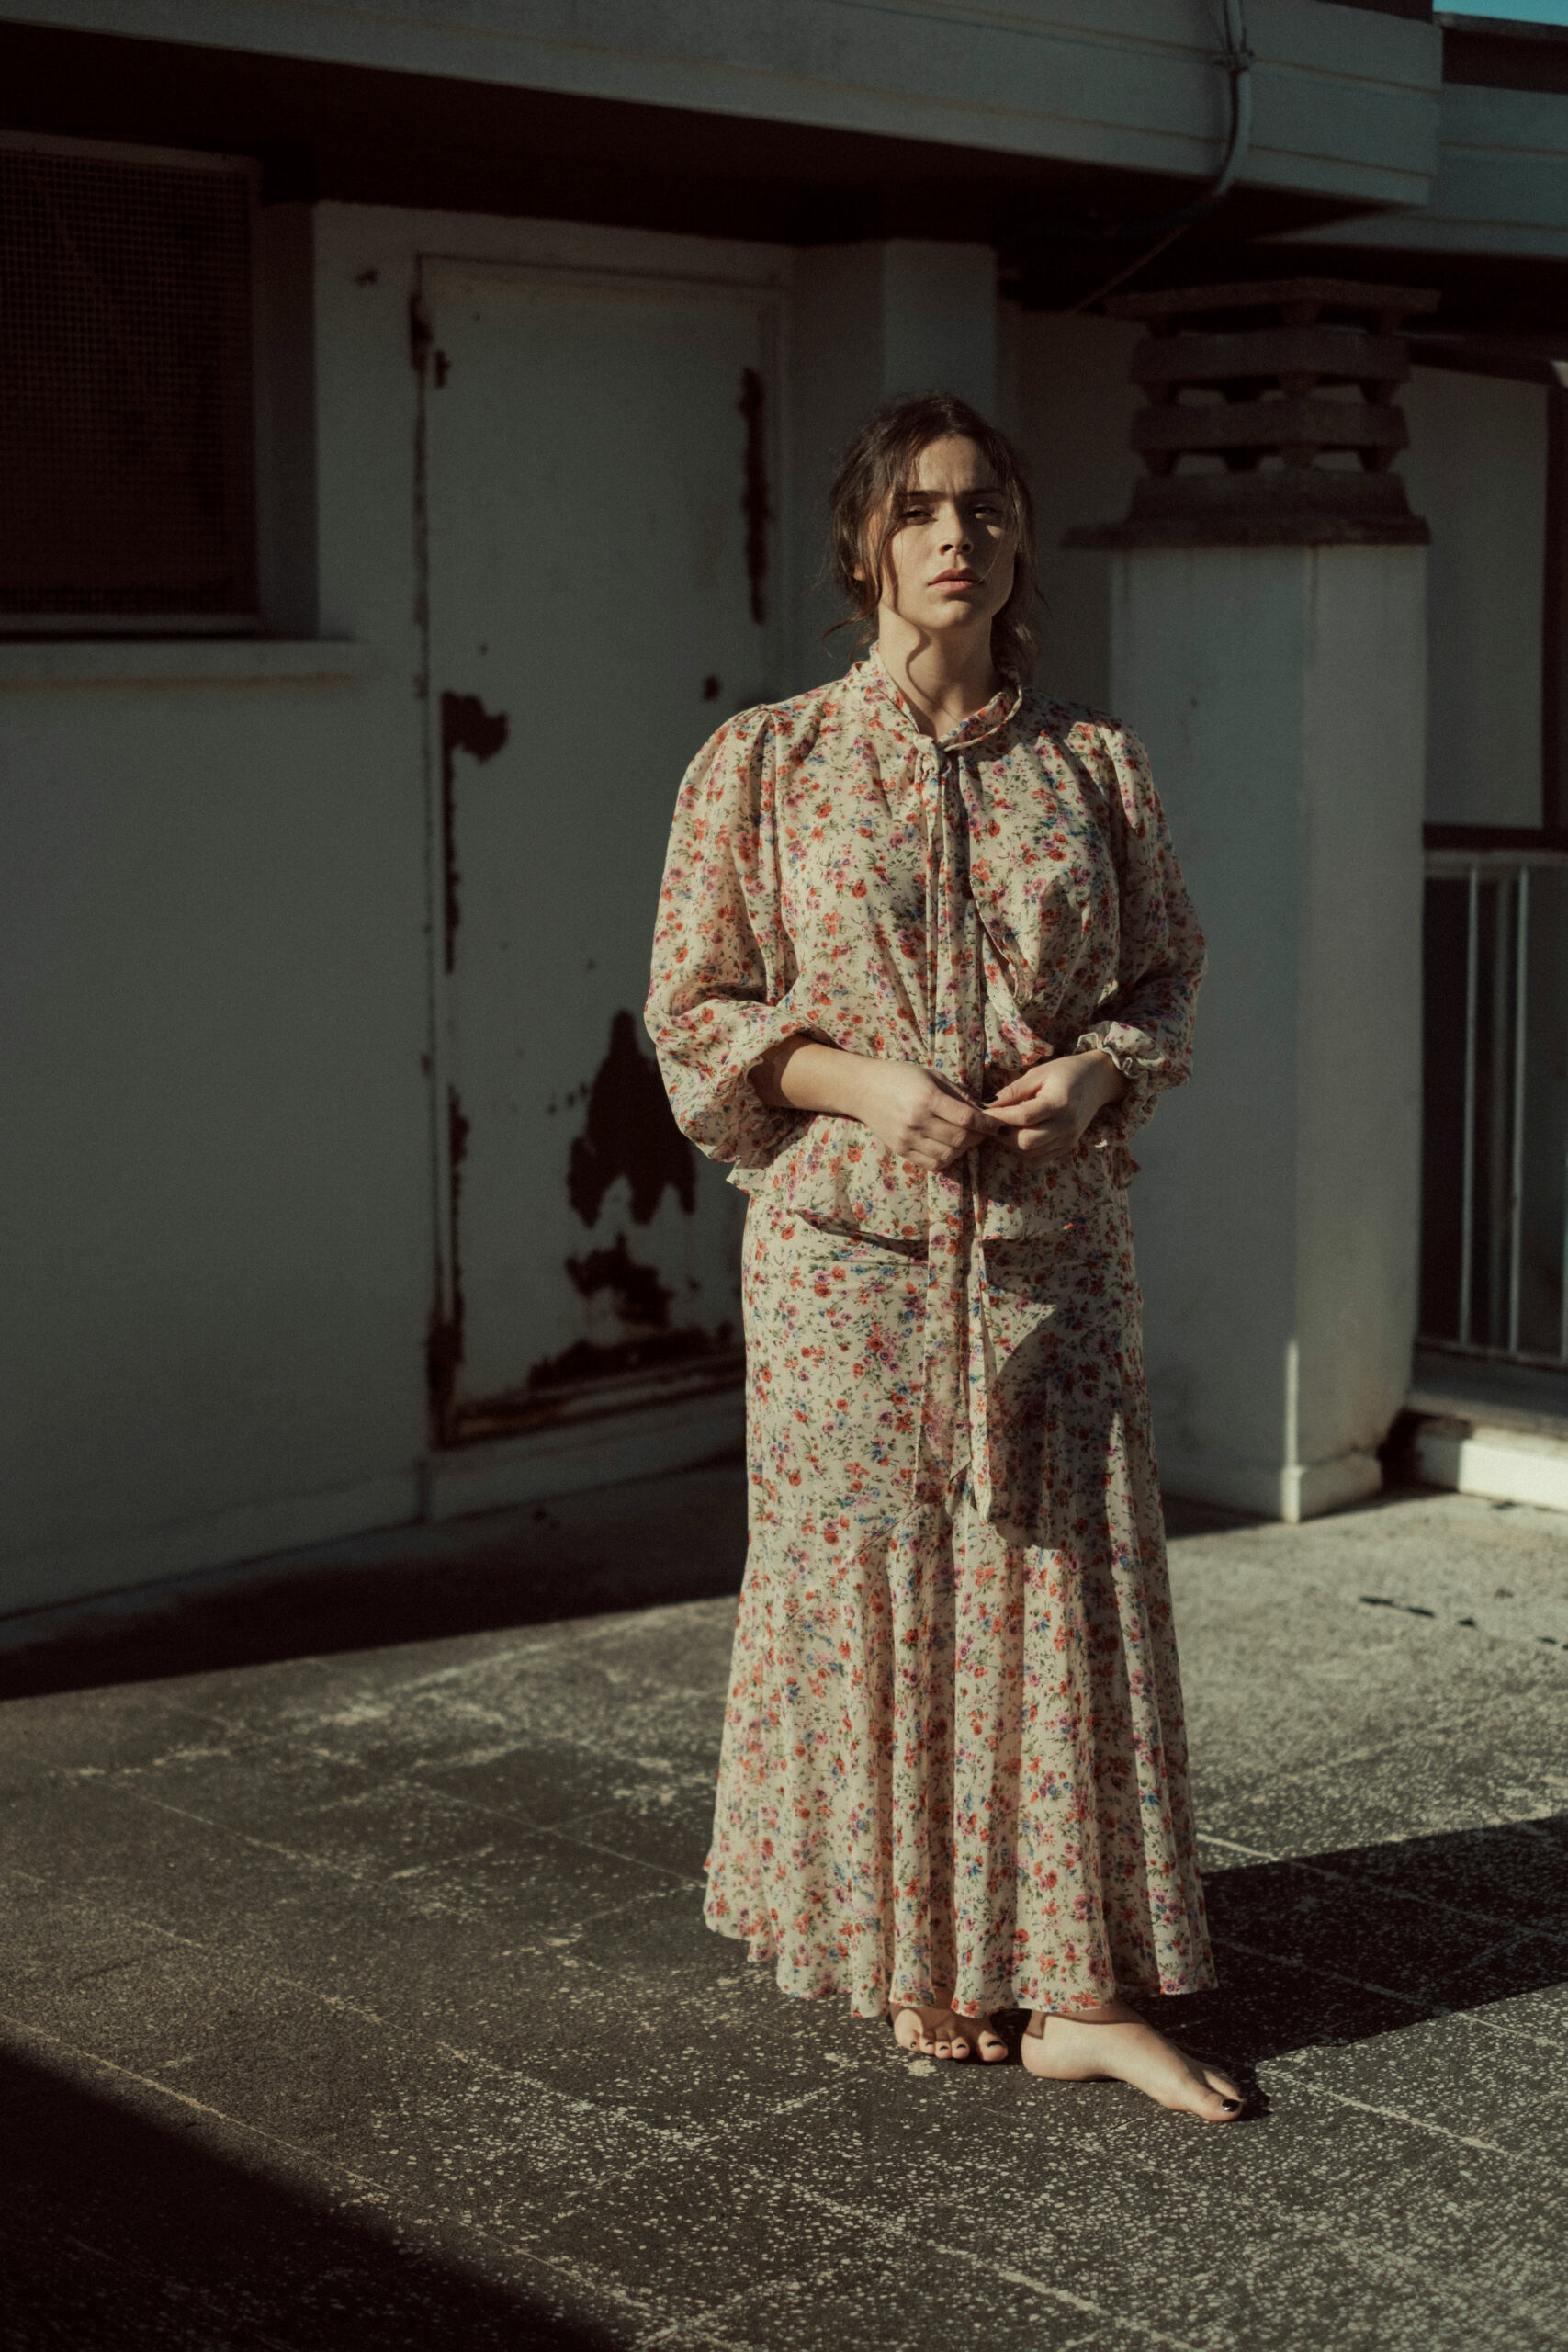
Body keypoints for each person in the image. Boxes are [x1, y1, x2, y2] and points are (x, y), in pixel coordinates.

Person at [645, 390, 1242, 2120]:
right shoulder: (767, 763)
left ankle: (1075, 1989)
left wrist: (1100, 1074)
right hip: (847, 1268)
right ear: (864, 543)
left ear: (1019, 538)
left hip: (1054, 1260)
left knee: (1054, 1595)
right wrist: (861, 1086)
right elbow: (695, 1013)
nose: (953, 536)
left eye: (981, 506)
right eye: (915, 509)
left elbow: (1167, 977)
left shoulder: (1094, 765)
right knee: (881, 1594)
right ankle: (927, 1955)